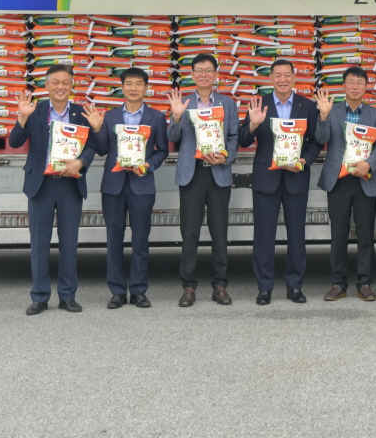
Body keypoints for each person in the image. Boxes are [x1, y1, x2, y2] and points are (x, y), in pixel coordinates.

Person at [9, 64, 98, 315]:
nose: (60, 87)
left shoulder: (80, 113)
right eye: (55, 82)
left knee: (69, 243)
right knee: (39, 243)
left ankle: (67, 296)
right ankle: (39, 297)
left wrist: (80, 162)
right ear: (47, 85)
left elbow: (92, 146)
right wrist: (22, 116)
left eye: (65, 82)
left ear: (72, 86)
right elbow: (15, 141)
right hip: (41, 185)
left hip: (70, 183)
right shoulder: (34, 111)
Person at [240, 59, 320, 305]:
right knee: (264, 235)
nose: (282, 79)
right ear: (270, 78)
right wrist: (253, 125)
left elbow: (316, 141)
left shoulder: (308, 106)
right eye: (277, 75)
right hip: (267, 177)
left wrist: (305, 160)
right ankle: (264, 287)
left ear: (294, 78)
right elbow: (243, 140)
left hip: (296, 176)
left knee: (297, 234)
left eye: (287, 75)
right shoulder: (259, 104)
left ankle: (295, 286)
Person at [88, 67, 168, 310]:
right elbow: (102, 150)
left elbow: (162, 150)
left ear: (146, 88)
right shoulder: (110, 116)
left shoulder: (156, 117)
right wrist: (97, 129)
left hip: (142, 185)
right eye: (129, 84)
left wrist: (149, 165)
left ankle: (139, 290)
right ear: (122, 88)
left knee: (141, 239)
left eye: (138, 84)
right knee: (114, 239)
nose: (133, 88)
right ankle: (117, 292)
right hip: (113, 186)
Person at [168, 53, 240, 307]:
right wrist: (177, 116)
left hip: (218, 171)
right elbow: (172, 137)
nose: (204, 75)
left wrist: (226, 156)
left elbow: (234, 137)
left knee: (219, 231)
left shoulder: (228, 104)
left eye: (208, 70)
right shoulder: (183, 103)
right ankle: (188, 286)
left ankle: (220, 285)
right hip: (192, 172)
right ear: (192, 75)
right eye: (199, 70)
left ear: (216, 75)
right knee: (189, 231)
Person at [315, 66, 376, 302]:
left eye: (360, 82)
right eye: (351, 82)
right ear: (344, 85)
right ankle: (338, 283)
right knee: (338, 233)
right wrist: (323, 116)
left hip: (365, 178)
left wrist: (370, 163)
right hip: (339, 179)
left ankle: (364, 283)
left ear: (366, 87)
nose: (355, 87)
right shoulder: (331, 110)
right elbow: (321, 139)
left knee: (366, 234)